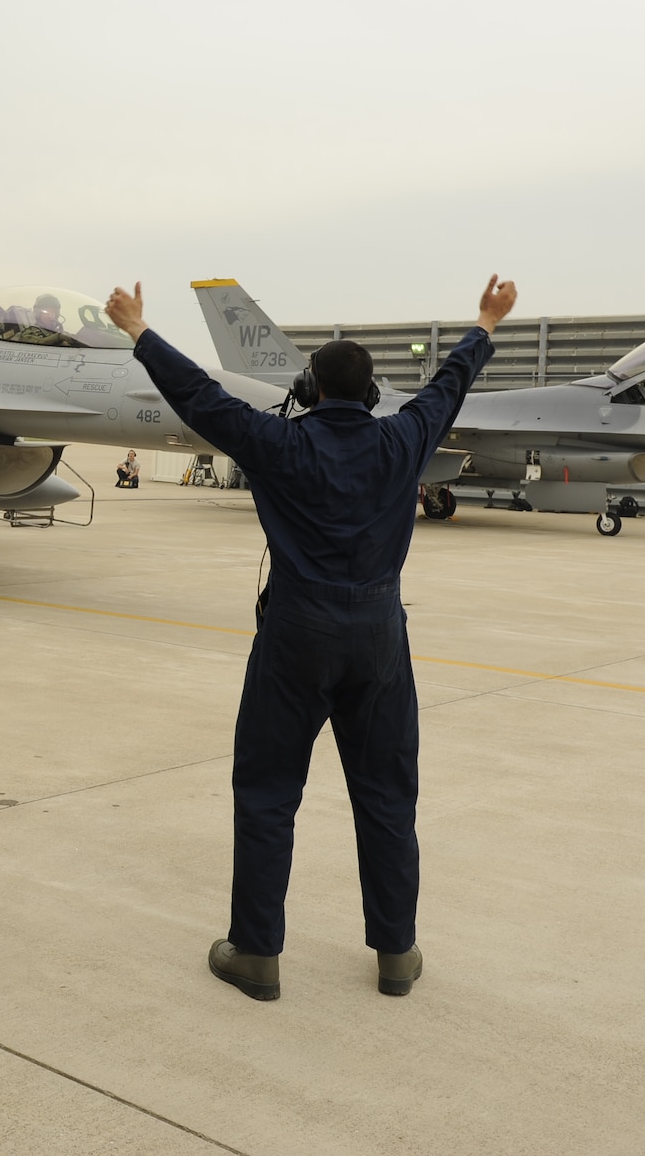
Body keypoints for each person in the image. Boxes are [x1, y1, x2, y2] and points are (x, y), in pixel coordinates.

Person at [104, 275, 516, 1000]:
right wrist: (485, 321)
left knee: (268, 791)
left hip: (296, 634)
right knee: (387, 796)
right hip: (379, 636)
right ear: (371, 393)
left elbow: (200, 396)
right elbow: (448, 387)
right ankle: (396, 954)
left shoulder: (278, 442)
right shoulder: (403, 438)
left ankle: (256, 954)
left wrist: (139, 331)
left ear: (310, 388)